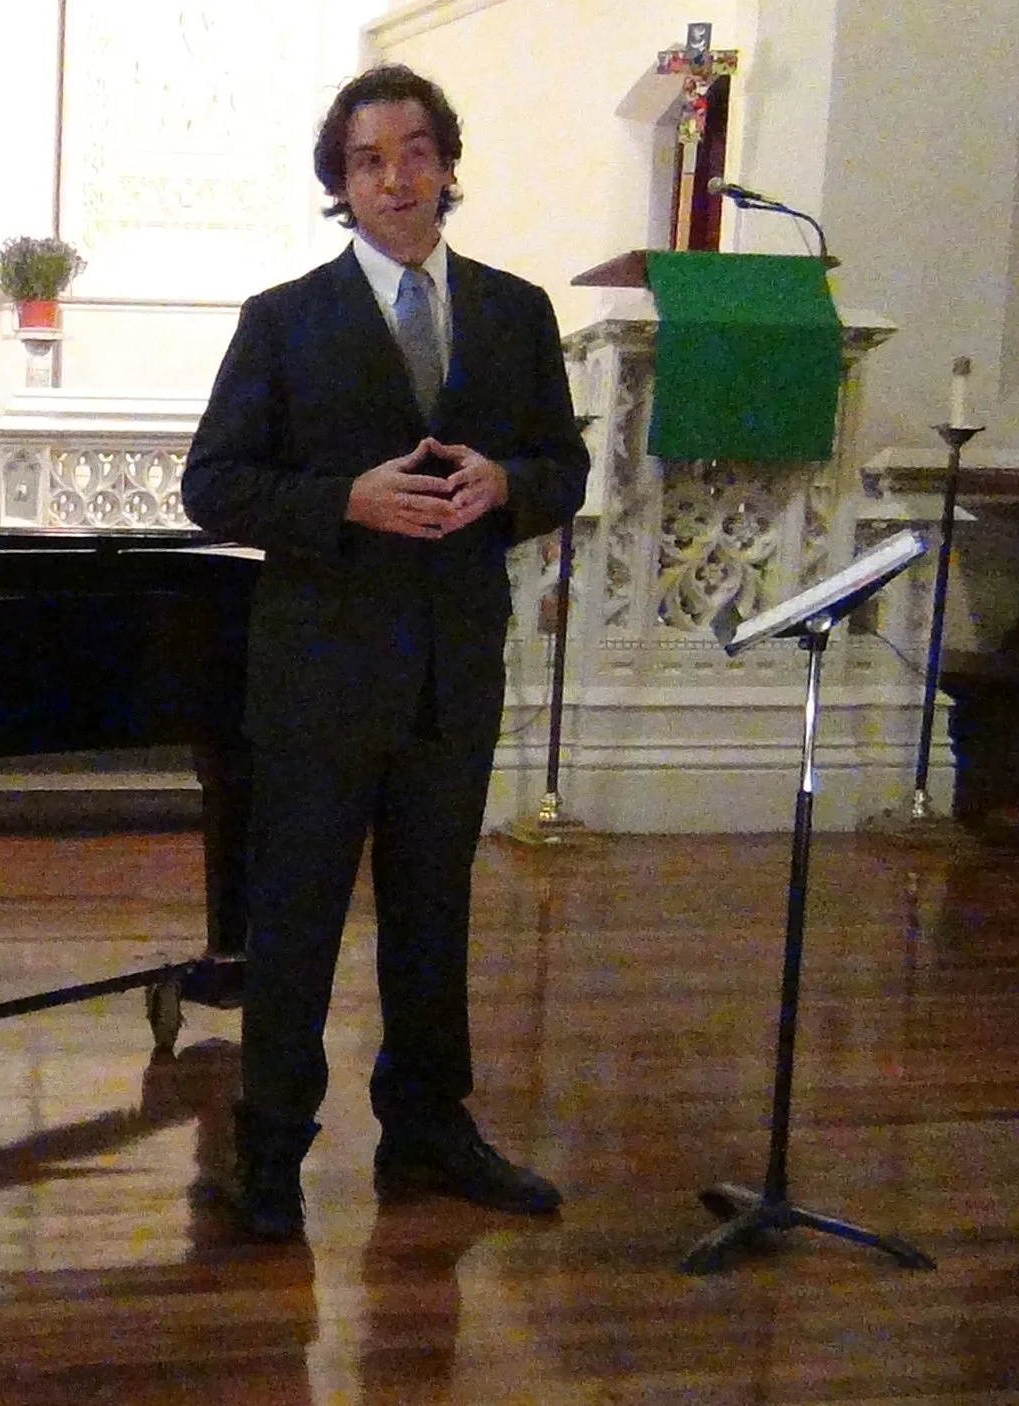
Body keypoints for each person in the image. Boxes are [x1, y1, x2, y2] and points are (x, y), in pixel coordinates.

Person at [181, 64, 588, 1238]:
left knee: (433, 908)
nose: (396, 179)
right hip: (318, 672)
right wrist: (342, 502)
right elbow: (212, 485)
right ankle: (268, 1145)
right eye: (368, 161)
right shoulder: (284, 319)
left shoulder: (515, 311)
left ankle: (425, 1127)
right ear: (339, 183)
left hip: (452, 670)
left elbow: (563, 466)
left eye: (416, 153)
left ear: (447, 165)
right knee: (296, 916)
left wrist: (512, 482)